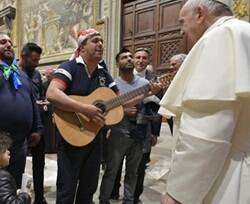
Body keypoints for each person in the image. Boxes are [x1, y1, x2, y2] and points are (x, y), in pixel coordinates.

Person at [159, 0, 250, 203]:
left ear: (200, 14)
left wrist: (178, 192)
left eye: (183, 22)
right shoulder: (245, 31)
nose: (182, 31)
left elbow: (207, 133)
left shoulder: (221, 37)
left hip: (228, 175)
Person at [46, 28, 119, 204]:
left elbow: (118, 101)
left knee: (88, 189)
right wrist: (85, 109)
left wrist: (144, 93)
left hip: (95, 138)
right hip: (72, 135)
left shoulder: (103, 74)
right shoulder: (69, 67)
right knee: (67, 189)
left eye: (101, 41)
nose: (100, 44)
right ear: (82, 47)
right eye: (95, 41)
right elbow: (52, 93)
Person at [99, 48, 160, 204]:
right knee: (112, 170)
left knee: (133, 172)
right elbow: (106, 108)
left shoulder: (145, 84)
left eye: (130, 57)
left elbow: (153, 109)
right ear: (118, 63)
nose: (129, 59)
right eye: (124, 57)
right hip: (119, 131)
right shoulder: (112, 85)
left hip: (140, 132)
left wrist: (153, 132)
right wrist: (123, 110)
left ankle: (129, 200)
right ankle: (104, 200)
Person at [0, 33, 41, 189]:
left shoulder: (21, 75)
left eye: (10, 42)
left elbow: (32, 102)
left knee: (15, 181)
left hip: (20, 141)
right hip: (0, 139)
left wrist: (37, 129)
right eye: (3, 42)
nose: (9, 45)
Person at [133, 47, 162, 203]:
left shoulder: (156, 80)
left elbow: (159, 108)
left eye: (144, 58)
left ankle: (135, 196)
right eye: (138, 57)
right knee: (116, 162)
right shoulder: (125, 76)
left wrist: (155, 133)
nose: (140, 60)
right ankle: (114, 192)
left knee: (141, 163)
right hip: (125, 125)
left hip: (145, 126)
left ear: (148, 60)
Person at [19, 42, 47, 204]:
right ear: (24, 57)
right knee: (18, 162)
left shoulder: (36, 75)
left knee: (39, 164)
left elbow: (39, 96)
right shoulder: (14, 73)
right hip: (21, 126)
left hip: (37, 125)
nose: (36, 64)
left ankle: (40, 196)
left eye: (38, 60)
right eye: (33, 60)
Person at [0, 131, 31, 204]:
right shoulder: (2, 177)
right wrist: (25, 196)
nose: (8, 152)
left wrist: (14, 194)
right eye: (4, 151)